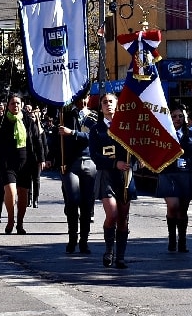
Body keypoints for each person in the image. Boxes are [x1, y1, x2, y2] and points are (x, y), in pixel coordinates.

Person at [0, 93, 46, 235]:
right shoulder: (2, 121)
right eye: (12, 103)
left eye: (18, 103)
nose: (15, 106)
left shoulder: (28, 121)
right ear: (8, 105)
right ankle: (10, 219)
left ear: (22, 105)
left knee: (23, 194)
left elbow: (37, 141)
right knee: (10, 191)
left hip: (26, 162)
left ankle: (20, 223)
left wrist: (42, 158)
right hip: (8, 162)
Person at [89, 93, 134, 269]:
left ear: (118, 105)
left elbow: (137, 149)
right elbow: (94, 155)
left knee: (123, 218)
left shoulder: (127, 128)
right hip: (106, 175)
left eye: (111, 102)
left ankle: (120, 257)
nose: (108, 105)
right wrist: (115, 163)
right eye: (104, 102)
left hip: (125, 177)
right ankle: (109, 249)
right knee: (113, 214)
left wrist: (133, 163)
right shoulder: (96, 129)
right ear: (101, 107)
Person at [53, 92, 97, 254]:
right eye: (79, 99)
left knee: (87, 203)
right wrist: (58, 161)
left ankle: (84, 241)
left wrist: (72, 133)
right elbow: (58, 140)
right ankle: (72, 239)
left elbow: (92, 136)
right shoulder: (65, 114)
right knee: (72, 200)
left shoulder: (93, 116)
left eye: (85, 98)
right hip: (70, 163)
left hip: (89, 161)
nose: (83, 102)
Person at [157, 104, 192, 253]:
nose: (177, 119)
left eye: (180, 116)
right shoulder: (163, 133)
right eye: (174, 116)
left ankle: (182, 241)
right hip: (168, 174)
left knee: (182, 209)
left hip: (186, 174)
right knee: (173, 205)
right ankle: (171, 239)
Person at [27, 107, 48, 208]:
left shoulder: (40, 131)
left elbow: (44, 146)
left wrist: (43, 159)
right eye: (30, 117)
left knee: (36, 179)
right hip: (27, 158)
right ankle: (28, 199)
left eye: (33, 117)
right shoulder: (26, 129)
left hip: (37, 158)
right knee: (27, 179)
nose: (32, 119)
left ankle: (35, 199)